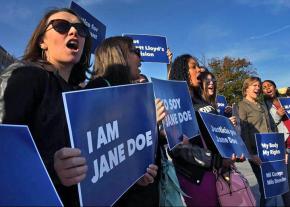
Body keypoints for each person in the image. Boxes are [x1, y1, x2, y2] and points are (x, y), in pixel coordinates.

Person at [0, 8, 91, 206]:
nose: (74, 32)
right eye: (61, 26)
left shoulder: (81, 95)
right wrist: (52, 169)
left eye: (80, 29)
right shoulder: (26, 77)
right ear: (42, 41)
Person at [86, 36, 165, 207]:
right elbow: (97, 155)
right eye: (135, 52)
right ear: (118, 55)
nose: (141, 58)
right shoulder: (98, 89)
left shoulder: (132, 94)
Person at [168, 54, 239, 206]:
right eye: (193, 67)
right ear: (182, 72)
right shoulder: (176, 102)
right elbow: (177, 147)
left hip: (219, 169)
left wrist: (233, 149)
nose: (199, 69)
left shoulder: (201, 99)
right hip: (197, 176)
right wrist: (216, 160)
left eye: (198, 66)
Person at [239, 77, 278, 206]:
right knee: (267, 190)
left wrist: (279, 150)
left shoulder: (261, 105)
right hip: (256, 153)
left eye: (258, 86)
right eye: (254, 85)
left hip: (271, 150)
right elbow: (243, 132)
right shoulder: (242, 105)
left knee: (275, 186)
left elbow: (271, 127)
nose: (258, 88)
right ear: (246, 89)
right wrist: (251, 154)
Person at [262, 80, 290, 205]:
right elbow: (268, 125)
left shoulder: (286, 100)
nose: (268, 88)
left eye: (270, 86)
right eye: (264, 87)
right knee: (287, 181)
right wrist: (278, 115)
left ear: (275, 87)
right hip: (284, 147)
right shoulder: (264, 106)